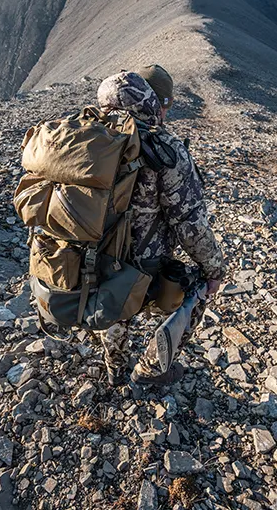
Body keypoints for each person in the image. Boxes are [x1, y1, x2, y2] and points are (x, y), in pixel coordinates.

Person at [96, 66, 225, 387]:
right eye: (165, 104)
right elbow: (189, 222)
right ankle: (150, 371)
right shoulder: (165, 148)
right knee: (196, 288)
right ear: (156, 103)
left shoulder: (88, 134)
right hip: (142, 267)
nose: (166, 112)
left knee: (111, 303)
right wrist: (214, 270)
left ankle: (115, 370)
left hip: (86, 256)